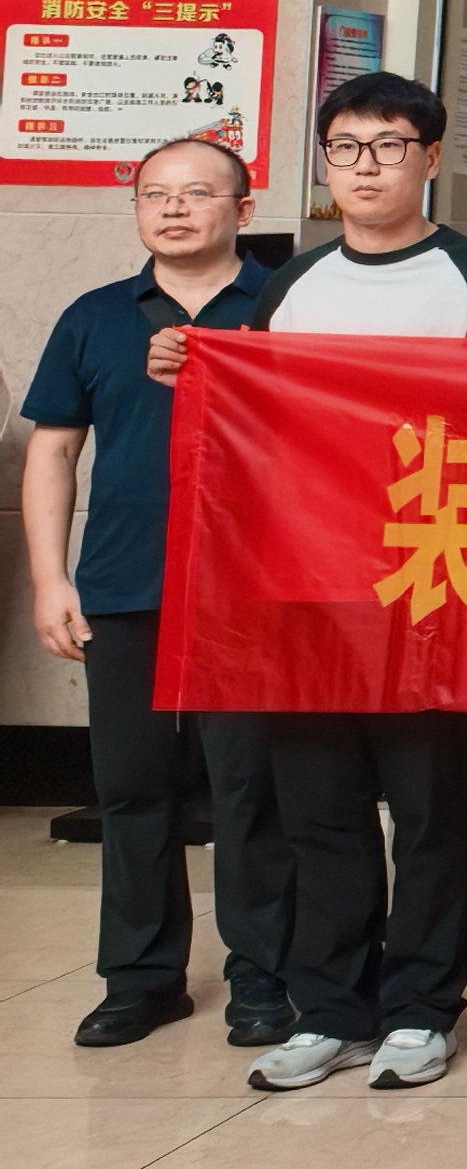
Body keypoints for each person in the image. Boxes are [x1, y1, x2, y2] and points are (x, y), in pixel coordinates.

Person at [164, 73, 467, 1090]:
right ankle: (330, 1008)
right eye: (345, 148)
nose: (365, 167)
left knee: (428, 808)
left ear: (431, 157)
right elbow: (252, 419)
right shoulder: (295, 282)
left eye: (388, 145)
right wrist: (190, 368)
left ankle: (421, 1009)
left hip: (431, 577)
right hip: (306, 586)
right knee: (318, 806)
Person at [25, 136, 275, 1047]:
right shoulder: (95, 316)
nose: (172, 208)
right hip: (127, 585)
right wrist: (51, 579)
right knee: (132, 787)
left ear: (242, 210)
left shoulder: (284, 307)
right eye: (154, 194)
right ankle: (140, 979)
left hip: (254, 591)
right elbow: (55, 450)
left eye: (197, 193)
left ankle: (263, 975)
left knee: (251, 787)